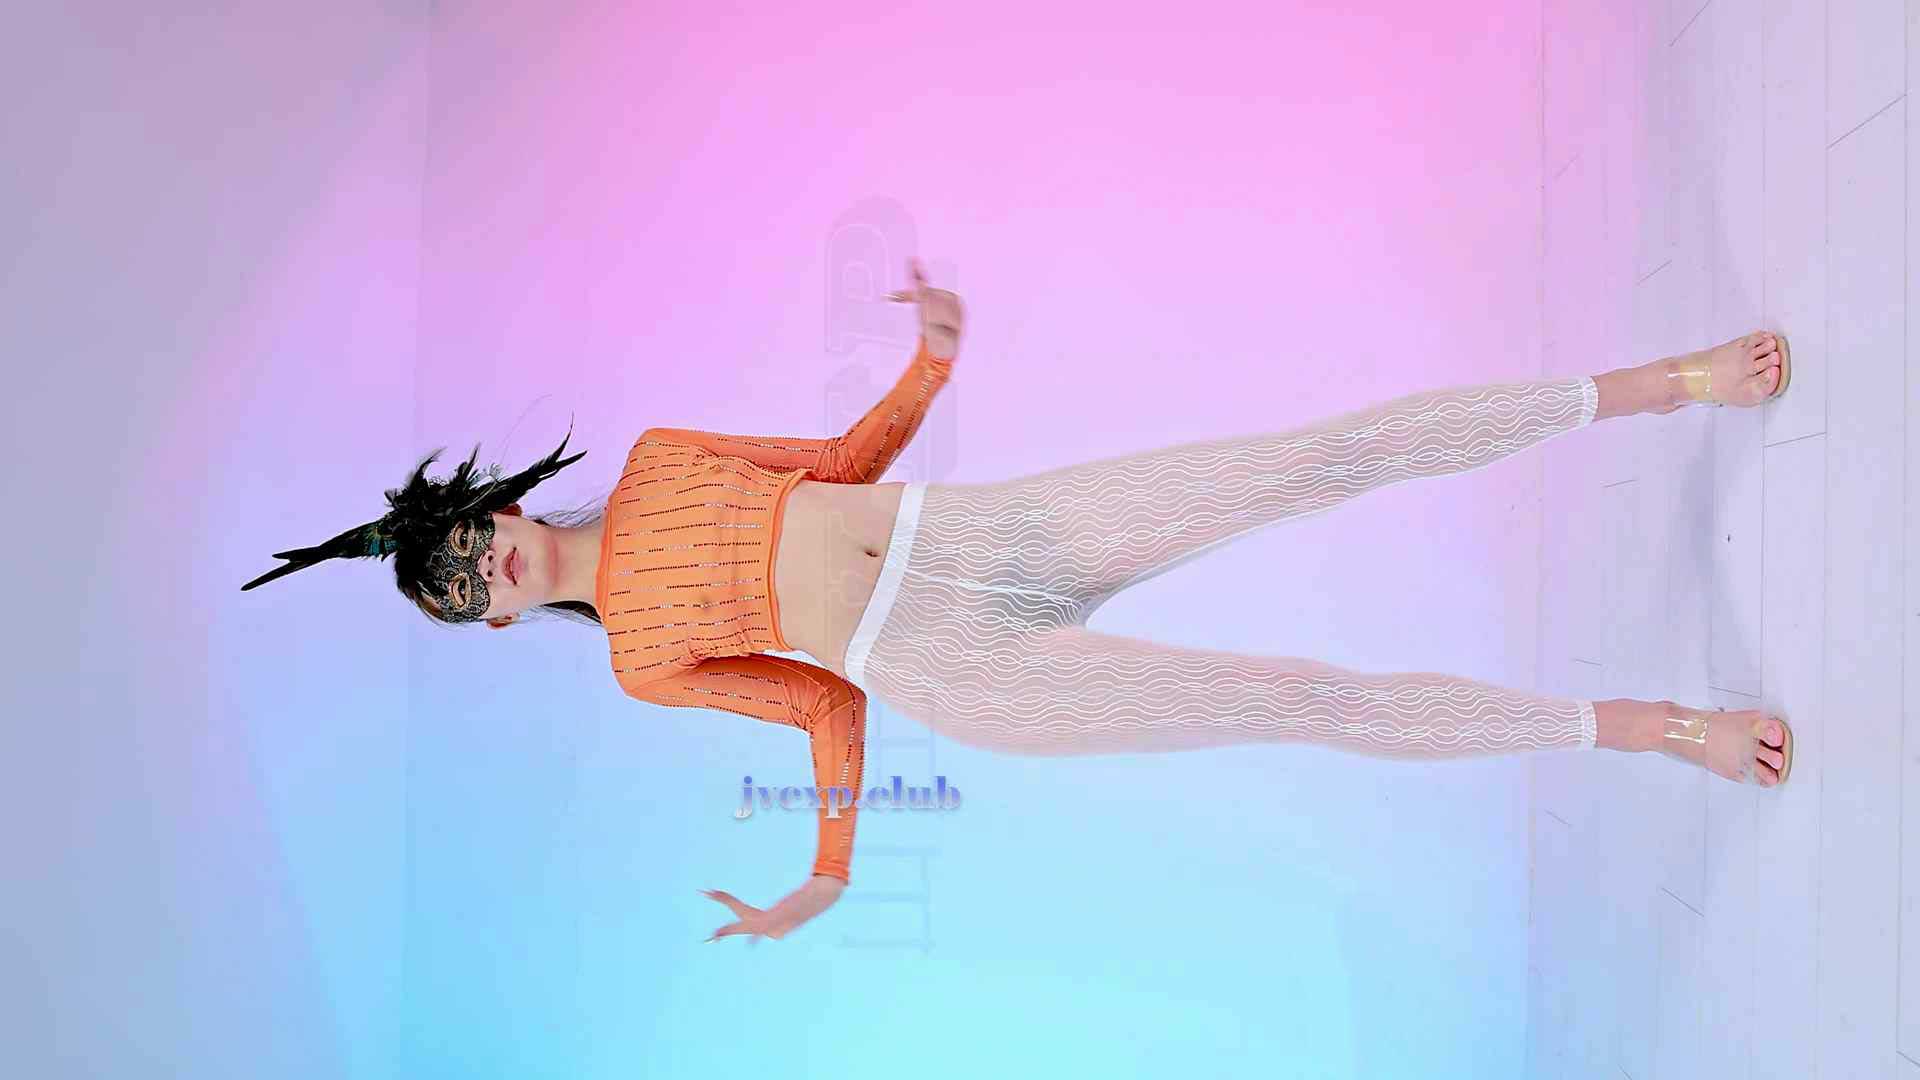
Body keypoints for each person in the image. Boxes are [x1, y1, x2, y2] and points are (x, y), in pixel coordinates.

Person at [243, 256, 1796, 944]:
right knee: (1297, 702)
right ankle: (1654, 727)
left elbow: (836, 466)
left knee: (1302, 461)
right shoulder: (640, 664)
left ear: (500, 507)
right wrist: (826, 875)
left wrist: (930, 365)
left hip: (982, 534)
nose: (488, 566)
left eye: (470, 540)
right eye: (465, 591)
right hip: (953, 670)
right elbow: (826, 706)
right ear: (493, 622)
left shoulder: (655, 459)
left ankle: (1661, 384)